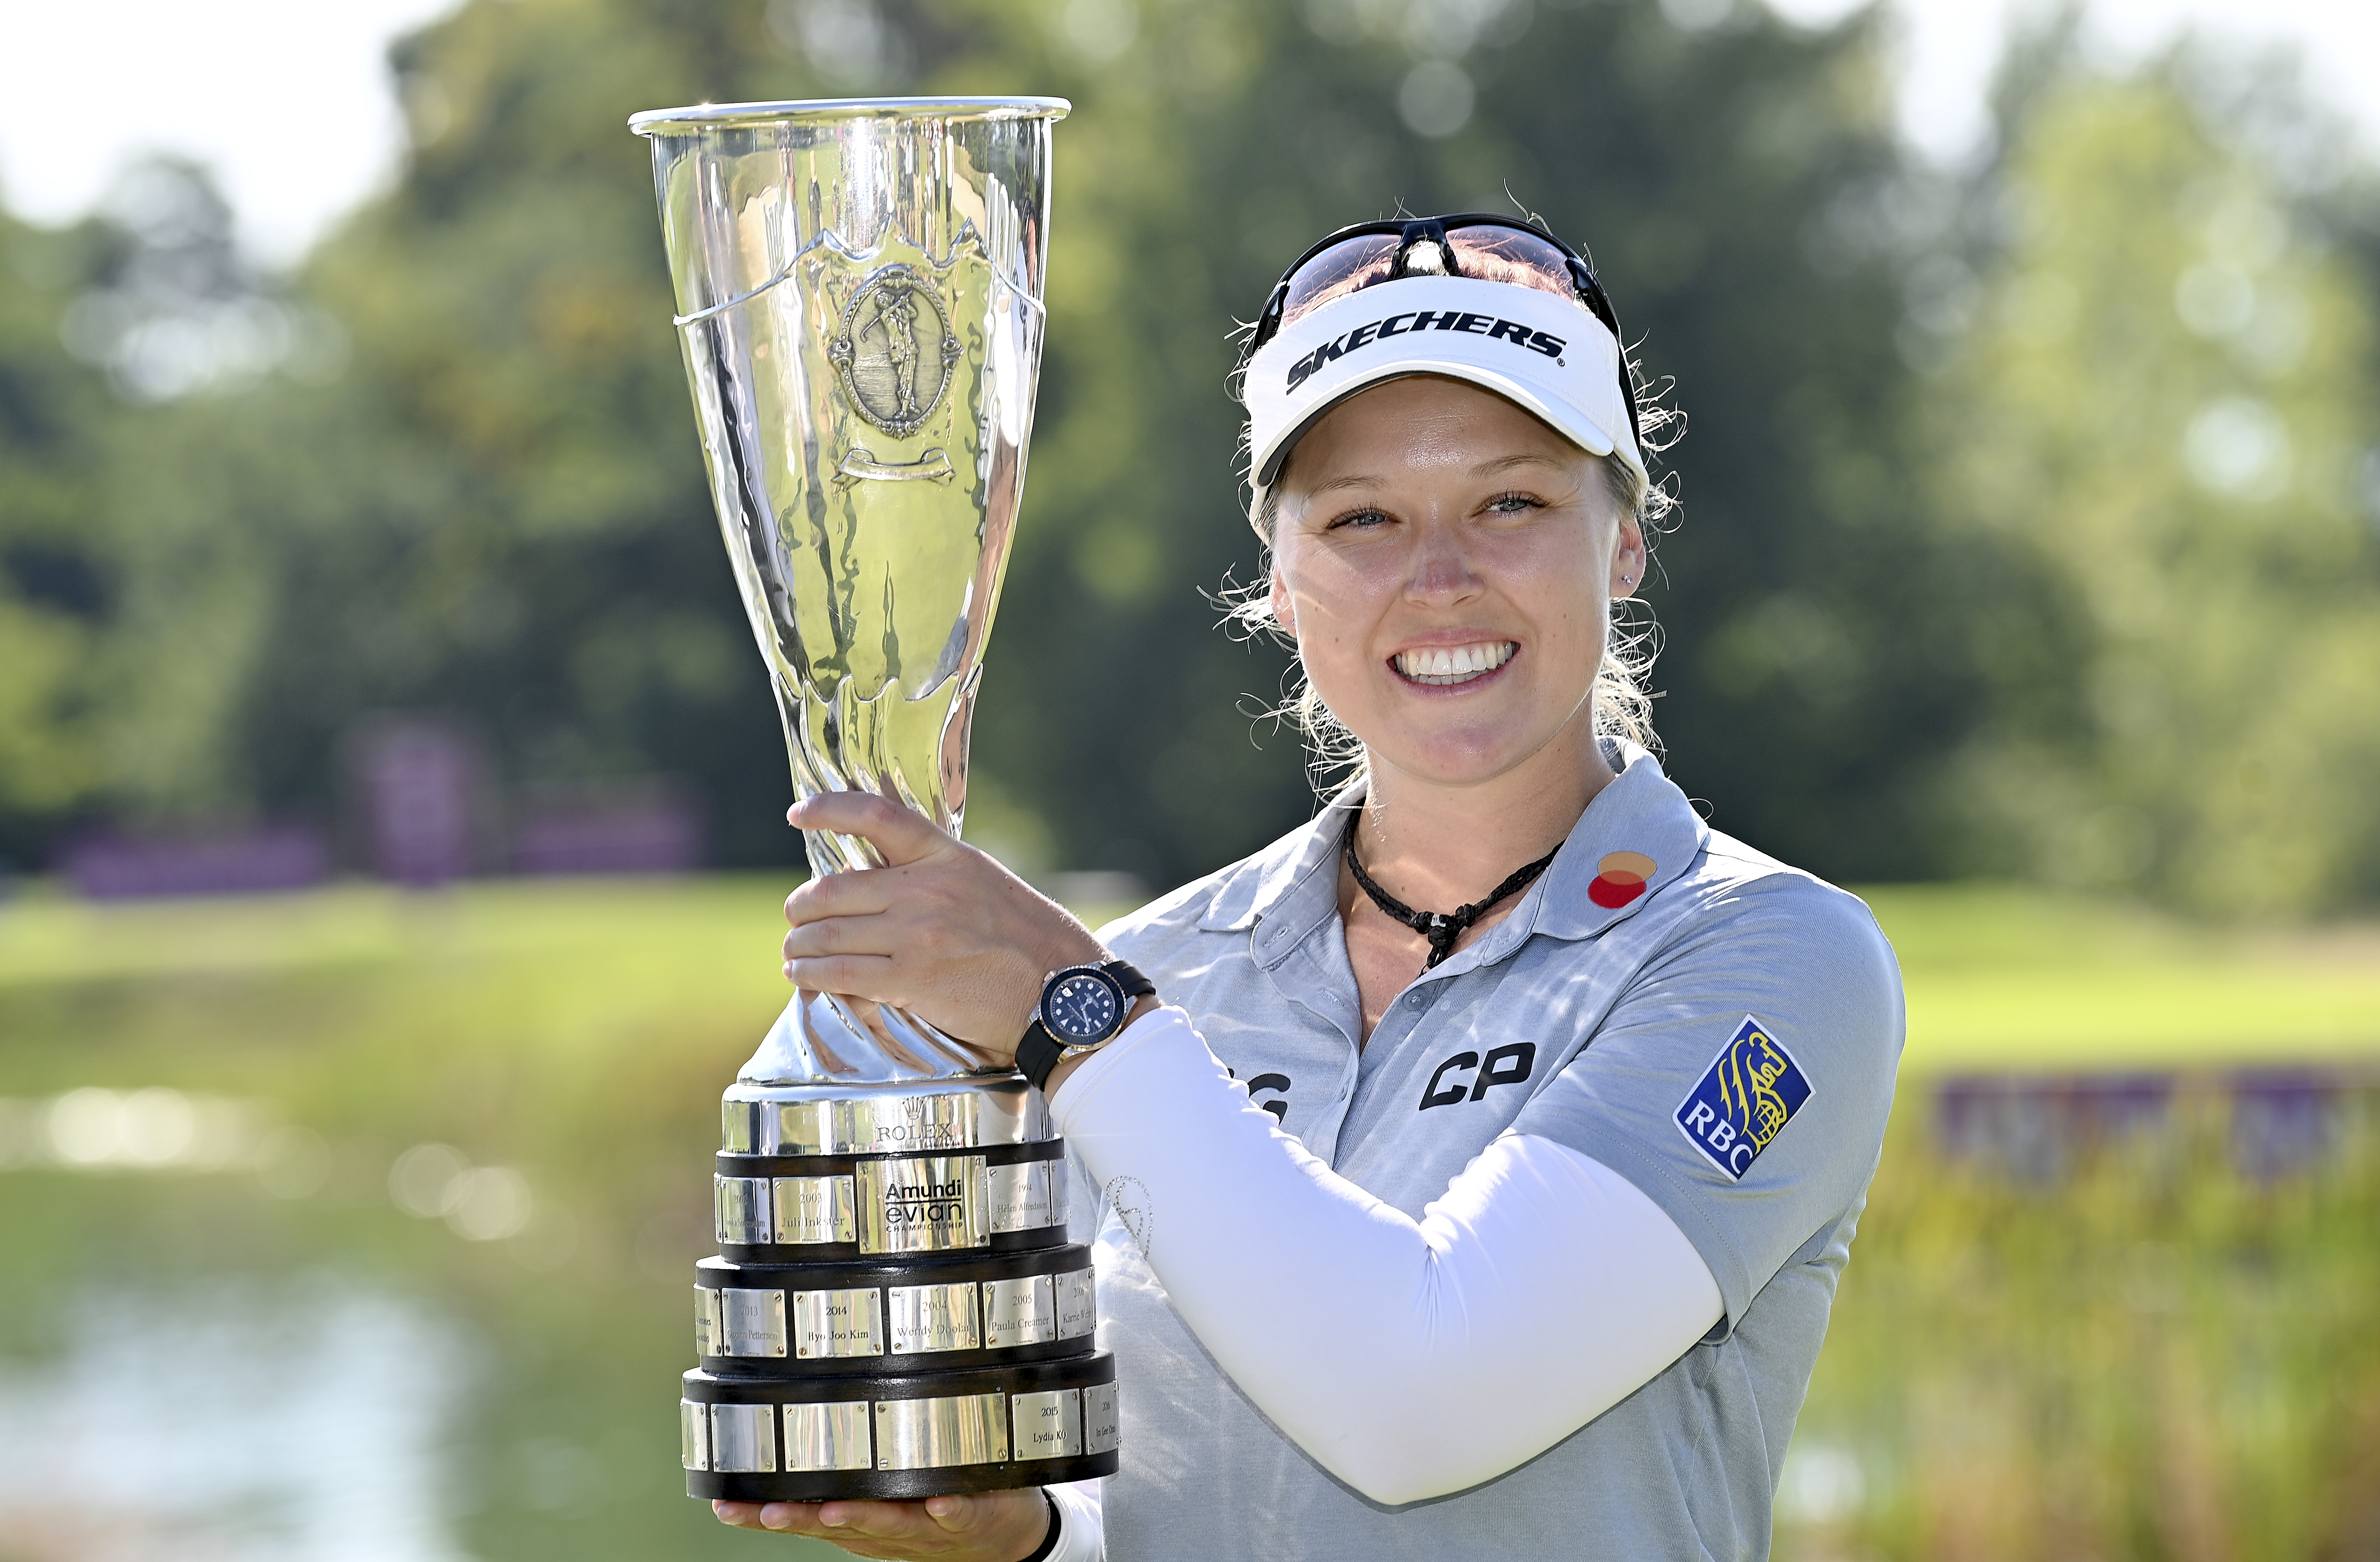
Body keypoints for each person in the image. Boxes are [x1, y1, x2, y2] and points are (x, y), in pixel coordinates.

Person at [716, 214, 1904, 1561]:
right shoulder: (1161, 973)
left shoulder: (1770, 962)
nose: (1440, 576)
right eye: (1363, 519)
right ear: (1281, 579)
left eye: (1511, 501)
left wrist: (1073, 1015)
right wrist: (1032, 1538)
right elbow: (1191, 1507)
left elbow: (1421, 1403)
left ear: (1622, 539)